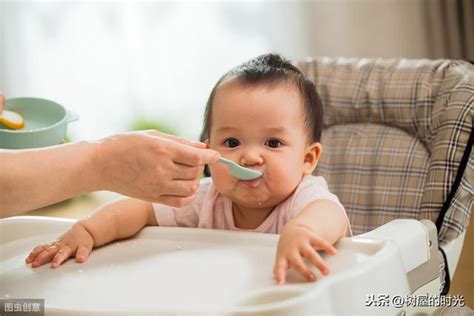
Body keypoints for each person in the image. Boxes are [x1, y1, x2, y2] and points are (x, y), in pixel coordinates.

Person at [25, 54, 351, 285]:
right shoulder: (206, 198)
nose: (250, 157)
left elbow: (329, 214)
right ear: (207, 150)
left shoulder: (302, 201)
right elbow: (140, 210)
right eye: (232, 142)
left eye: (273, 144)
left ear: (308, 159)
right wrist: (88, 230)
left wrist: (304, 232)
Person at [0, 91, 220, 218]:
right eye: (232, 142)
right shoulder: (201, 201)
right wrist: (100, 163)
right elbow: (133, 214)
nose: (252, 157)